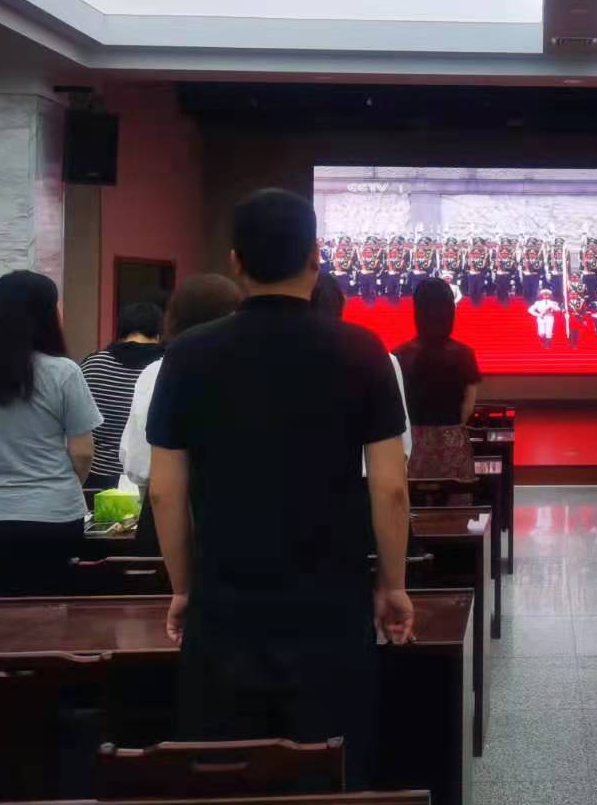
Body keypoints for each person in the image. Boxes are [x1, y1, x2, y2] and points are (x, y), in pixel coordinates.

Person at [147, 190, 412, 785]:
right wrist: (393, 585)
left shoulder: (186, 355)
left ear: (236, 262)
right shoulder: (362, 350)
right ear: (316, 257)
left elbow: (164, 491)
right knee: (331, 771)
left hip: (224, 607)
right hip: (331, 606)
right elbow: (390, 487)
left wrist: (184, 587)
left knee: (227, 774)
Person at [0, 271, 102, 595]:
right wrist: (60, 486)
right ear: (46, 313)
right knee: (55, 610)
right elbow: (83, 451)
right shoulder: (64, 372)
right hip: (55, 515)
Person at [119, 274, 243, 553]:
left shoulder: (155, 372)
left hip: (161, 516)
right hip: (227, 516)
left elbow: (136, 462)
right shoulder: (245, 372)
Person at [312, 272, 412, 470]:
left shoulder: (283, 361)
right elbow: (401, 448)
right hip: (368, 479)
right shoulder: (380, 358)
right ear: (343, 302)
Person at [393, 277, 480, 482]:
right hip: (453, 449)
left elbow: (395, 408)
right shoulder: (464, 354)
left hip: (412, 449)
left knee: (413, 501)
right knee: (454, 501)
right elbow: (467, 409)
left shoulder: (400, 355)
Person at [78, 302, 165, 490]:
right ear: (158, 333)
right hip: (149, 479)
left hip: (97, 479)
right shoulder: (166, 367)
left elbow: (78, 427)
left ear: (121, 331)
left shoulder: (93, 365)